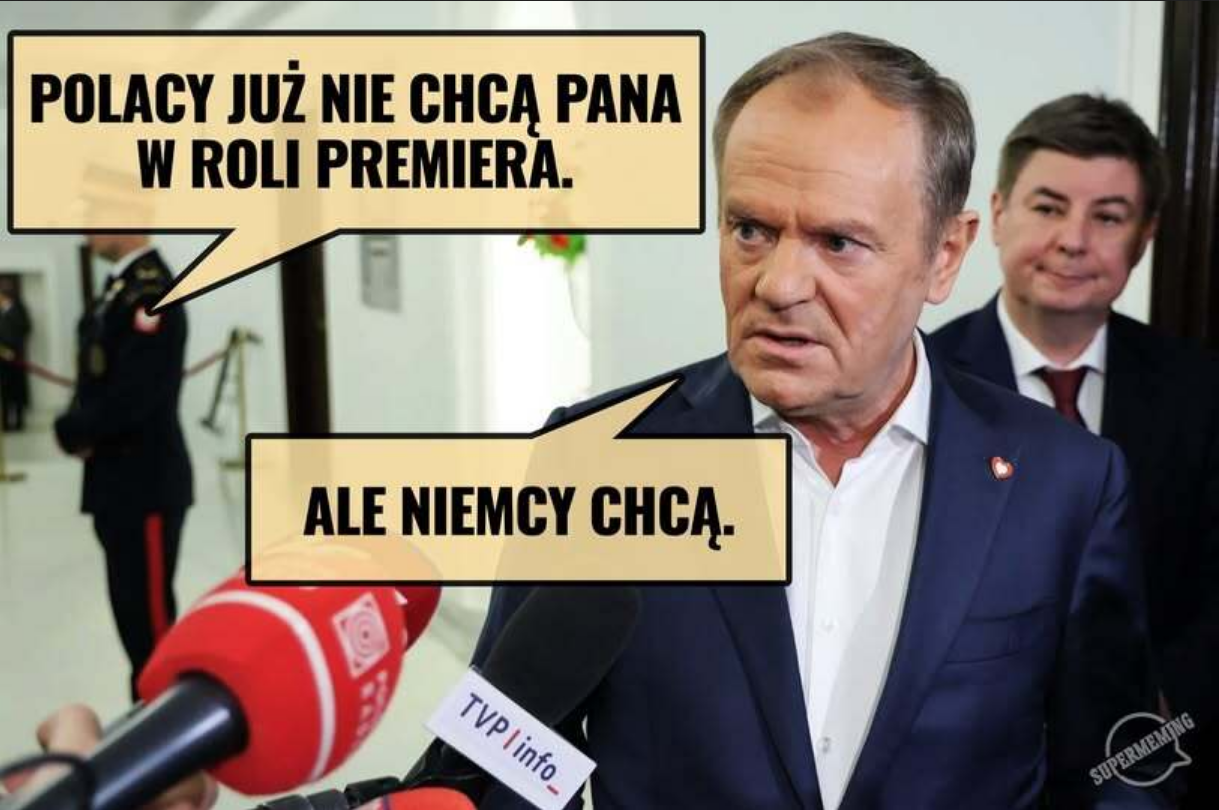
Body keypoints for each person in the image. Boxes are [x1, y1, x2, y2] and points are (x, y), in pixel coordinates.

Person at [472, 34, 1168, 808]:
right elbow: (499, 763)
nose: (778, 284)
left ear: (944, 255)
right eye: (750, 230)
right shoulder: (595, 461)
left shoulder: (1067, 483)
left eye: (837, 243)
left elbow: (1123, 765)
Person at [928, 93, 1219, 807]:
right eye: (1048, 207)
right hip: (958, 771)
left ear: (1144, 236)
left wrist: (1161, 732)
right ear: (998, 214)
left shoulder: (1201, 392)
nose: (1073, 240)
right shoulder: (920, 384)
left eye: (1108, 217)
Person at [54, 235, 193, 701]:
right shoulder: (119, 288)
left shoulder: (151, 292)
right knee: (133, 622)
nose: (85, 231)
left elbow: (135, 397)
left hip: (144, 484)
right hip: (118, 483)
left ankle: (163, 727)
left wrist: (75, 430)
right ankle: (146, 714)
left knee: (151, 631)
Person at [0, 277, 32, 431]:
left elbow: (26, 328)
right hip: (1, 357)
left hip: (17, 355)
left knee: (18, 391)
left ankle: (19, 422)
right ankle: (5, 423)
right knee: (4, 392)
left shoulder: (19, 308)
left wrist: (14, 347)